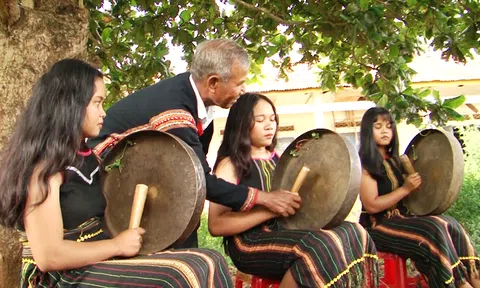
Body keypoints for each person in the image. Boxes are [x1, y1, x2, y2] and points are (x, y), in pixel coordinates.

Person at [0, 59, 233, 287]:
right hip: (61, 276)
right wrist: (117, 247)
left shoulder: (89, 158)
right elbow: (49, 256)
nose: (104, 112)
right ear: (70, 105)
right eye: (97, 103)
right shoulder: (42, 169)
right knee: (179, 276)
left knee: (208, 260)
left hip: (95, 261)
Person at [87, 39, 301, 248]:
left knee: (187, 232)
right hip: (107, 181)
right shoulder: (176, 113)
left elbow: (194, 174)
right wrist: (265, 199)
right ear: (213, 83)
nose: (243, 91)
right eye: (239, 84)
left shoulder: (200, 105)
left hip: (150, 174)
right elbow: (200, 180)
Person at [208, 93, 379, 288]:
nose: (269, 125)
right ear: (241, 124)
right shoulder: (231, 164)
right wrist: (269, 209)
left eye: (273, 119)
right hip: (248, 242)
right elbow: (217, 225)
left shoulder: (280, 159)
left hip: (285, 231)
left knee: (353, 231)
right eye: (260, 120)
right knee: (317, 245)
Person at [359, 107, 480, 288]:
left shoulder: (397, 160)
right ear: (369, 131)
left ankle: (474, 276)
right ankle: (458, 283)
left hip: (403, 219)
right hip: (378, 226)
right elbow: (372, 206)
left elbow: (414, 198)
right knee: (433, 228)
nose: (385, 130)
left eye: (389, 126)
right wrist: (406, 189)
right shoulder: (365, 165)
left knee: (450, 223)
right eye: (378, 126)